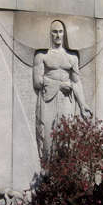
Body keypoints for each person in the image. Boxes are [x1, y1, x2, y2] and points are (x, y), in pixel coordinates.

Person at [33, 20, 92, 157]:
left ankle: (64, 172)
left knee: (66, 136)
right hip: (48, 100)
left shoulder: (72, 57)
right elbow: (37, 82)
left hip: (67, 100)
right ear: (49, 33)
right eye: (54, 31)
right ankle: (47, 173)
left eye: (60, 31)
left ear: (64, 34)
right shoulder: (42, 56)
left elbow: (76, 82)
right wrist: (59, 85)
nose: (58, 35)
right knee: (48, 136)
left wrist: (83, 104)